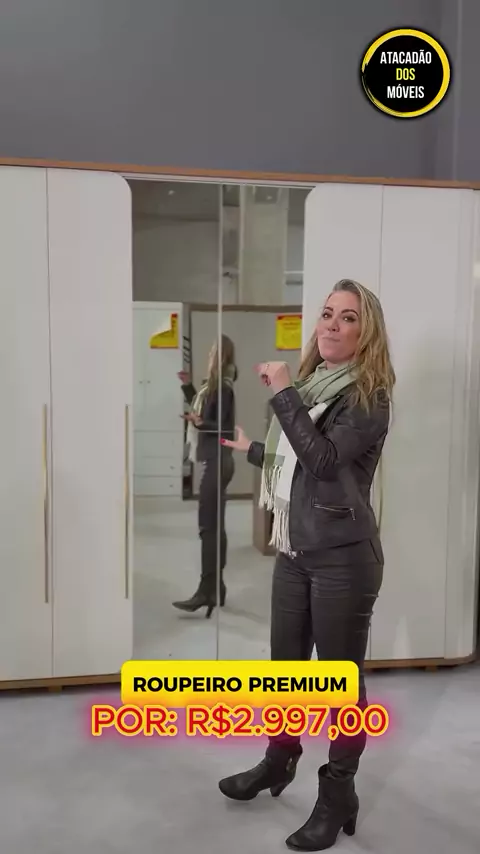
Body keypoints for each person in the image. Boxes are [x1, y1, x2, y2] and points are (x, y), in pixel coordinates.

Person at [217, 280, 395, 851]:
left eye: (348, 317)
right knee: (288, 673)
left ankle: (338, 793)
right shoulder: (317, 386)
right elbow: (294, 459)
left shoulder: (368, 395)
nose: (332, 325)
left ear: (366, 333)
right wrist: (253, 449)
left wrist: (283, 394)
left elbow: (322, 460)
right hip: (296, 552)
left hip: (344, 559)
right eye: (327, 313)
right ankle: (279, 759)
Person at [172, 335, 237, 619]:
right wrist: (188, 386)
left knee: (208, 527)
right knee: (213, 526)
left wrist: (199, 422)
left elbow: (221, 426)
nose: (209, 356)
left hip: (218, 460)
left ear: (220, 356)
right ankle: (216, 587)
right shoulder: (214, 386)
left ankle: (206, 590)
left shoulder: (223, 387)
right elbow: (204, 411)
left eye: (212, 352)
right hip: (217, 459)